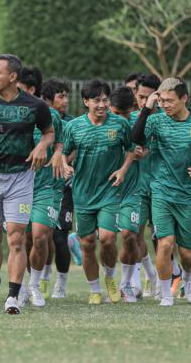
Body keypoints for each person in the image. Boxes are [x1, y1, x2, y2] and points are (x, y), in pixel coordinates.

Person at [0, 54, 54, 315]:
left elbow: (49, 133)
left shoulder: (35, 105)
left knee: (16, 237)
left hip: (21, 178)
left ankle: (13, 296)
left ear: (12, 76)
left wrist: (41, 146)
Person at [131, 77, 191, 306]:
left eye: (169, 100)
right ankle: (165, 293)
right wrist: (147, 108)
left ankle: (188, 279)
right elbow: (135, 138)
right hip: (161, 191)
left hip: (189, 196)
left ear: (184, 98)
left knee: (188, 253)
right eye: (161, 100)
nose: (165, 105)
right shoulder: (157, 121)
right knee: (165, 244)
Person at [62, 80, 134, 305]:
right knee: (87, 244)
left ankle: (111, 277)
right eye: (97, 100)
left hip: (109, 192)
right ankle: (94, 290)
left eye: (105, 100)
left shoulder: (120, 125)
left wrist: (122, 170)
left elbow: (132, 149)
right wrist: (65, 165)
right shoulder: (74, 127)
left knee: (108, 238)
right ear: (86, 102)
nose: (102, 104)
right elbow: (63, 152)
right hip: (82, 194)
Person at [16, 69, 64, 308]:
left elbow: (61, 140)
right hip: (16, 186)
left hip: (46, 186)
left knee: (40, 235)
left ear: (31, 90)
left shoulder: (50, 115)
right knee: (22, 238)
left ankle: (35, 285)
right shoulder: (8, 114)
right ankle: (21, 286)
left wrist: (58, 154)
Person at [109, 86, 146, 302]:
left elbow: (149, 147)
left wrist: (143, 152)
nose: (121, 119)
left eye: (125, 114)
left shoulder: (138, 124)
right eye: (116, 114)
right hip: (107, 190)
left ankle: (127, 283)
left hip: (131, 189)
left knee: (129, 235)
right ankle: (109, 280)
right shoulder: (102, 122)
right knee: (105, 239)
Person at [130, 73, 163, 299]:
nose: (145, 102)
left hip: (163, 186)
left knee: (162, 236)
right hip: (137, 186)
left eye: (149, 98)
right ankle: (146, 276)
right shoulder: (131, 118)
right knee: (133, 234)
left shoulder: (168, 119)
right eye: (141, 97)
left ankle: (163, 279)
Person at [41, 79, 74, 298]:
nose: (66, 100)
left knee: (60, 238)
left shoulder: (72, 124)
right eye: (61, 96)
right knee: (40, 235)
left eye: (66, 96)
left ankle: (61, 283)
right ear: (47, 100)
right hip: (40, 187)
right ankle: (42, 279)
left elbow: (74, 150)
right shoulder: (38, 122)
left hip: (64, 188)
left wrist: (64, 163)